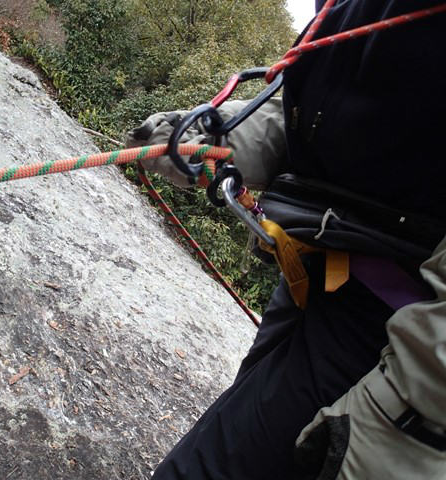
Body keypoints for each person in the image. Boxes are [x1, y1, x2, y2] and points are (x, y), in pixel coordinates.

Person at [126, 1, 446, 478]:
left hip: (393, 330)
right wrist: (213, 140)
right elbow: (317, 102)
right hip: (315, 270)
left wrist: (408, 411)